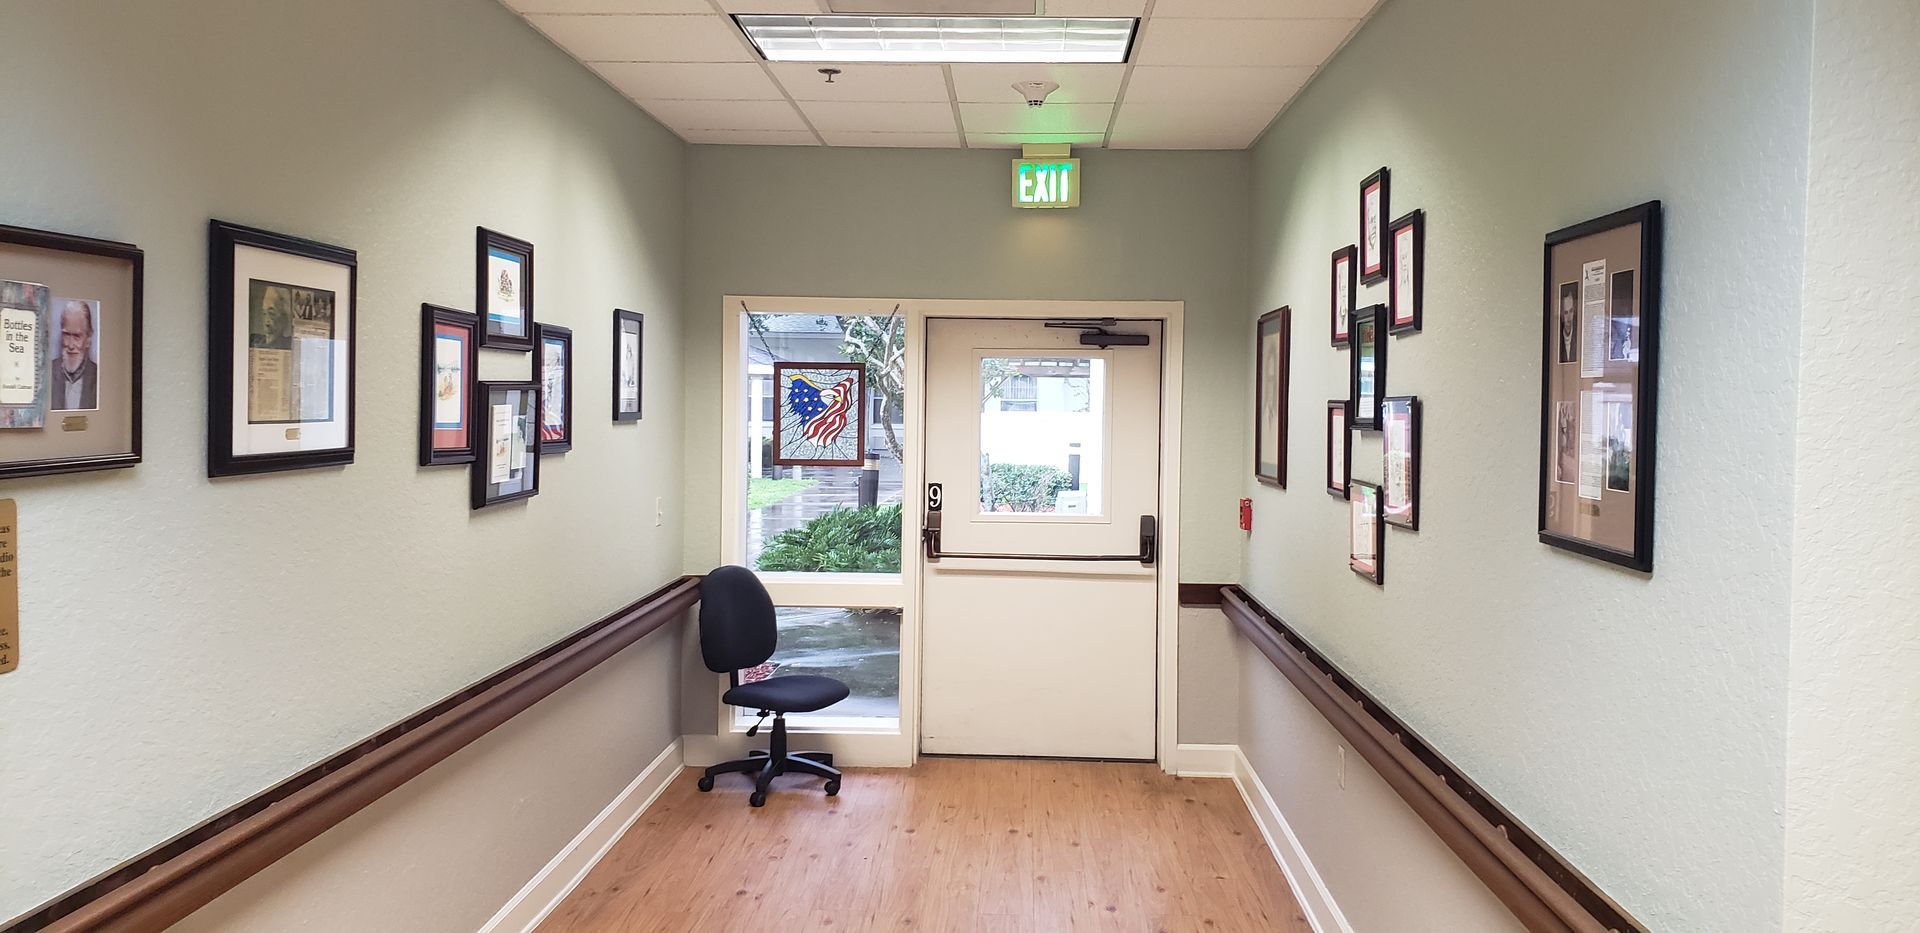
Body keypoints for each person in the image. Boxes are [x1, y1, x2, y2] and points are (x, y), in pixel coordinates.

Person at [52, 299, 98, 411]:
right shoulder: (47, 373)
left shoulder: (99, 376)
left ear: (88, 338)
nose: (71, 345)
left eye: (77, 336)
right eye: (66, 335)